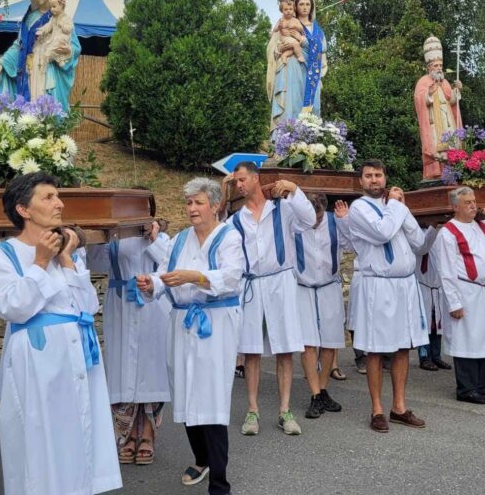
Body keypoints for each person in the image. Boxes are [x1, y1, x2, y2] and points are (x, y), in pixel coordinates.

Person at [0, 172, 121, 495]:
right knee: (41, 439)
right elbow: (13, 307)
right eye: (48, 197)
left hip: (78, 352)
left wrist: (65, 259)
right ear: (23, 209)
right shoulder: (4, 254)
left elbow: (88, 306)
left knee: (79, 431)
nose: (59, 203)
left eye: (58, 196)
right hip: (39, 358)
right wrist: (41, 262)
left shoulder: (70, 251)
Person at [135, 177, 245, 495]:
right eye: (188, 203)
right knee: (184, 389)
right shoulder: (181, 239)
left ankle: (219, 482)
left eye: (198, 202)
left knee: (211, 395)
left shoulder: (229, 237)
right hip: (182, 322)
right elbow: (166, 272)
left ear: (215, 206)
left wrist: (195, 276)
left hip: (215, 322)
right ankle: (201, 458)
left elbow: (231, 276)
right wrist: (152, 284)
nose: (192, 208)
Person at [229, 161, 315, 436]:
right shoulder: (235, 218)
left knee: (285, 348)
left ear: (256, 178)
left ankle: (284, 410)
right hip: (251, 284)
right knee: (251, 350)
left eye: (242, 180)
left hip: (281, 282)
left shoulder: (283, 208)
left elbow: (310, 219)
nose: (239, 185)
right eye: (236, 182)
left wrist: (294, 189)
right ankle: (252, 410)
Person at [348, 159, 427, 432]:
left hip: (404, 285)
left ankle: (399, 407)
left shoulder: (395, 207)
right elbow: (382, 233)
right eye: (368, 176)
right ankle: (377, 410)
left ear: (385, 178)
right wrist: (395, 206)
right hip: (378, 285)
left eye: (378, 175)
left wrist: (402, 209)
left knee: (403, 346)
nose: (374, 180)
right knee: (376, 349)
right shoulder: (358, 208)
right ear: (361, 181)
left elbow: (418, 242)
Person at [88, 218, 172, 465]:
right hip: (120, 303)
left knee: (151, 368)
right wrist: (99, 233)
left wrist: (154, 237)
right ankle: (125, 434)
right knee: (121, 367)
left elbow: (172, 263)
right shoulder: (114, 238)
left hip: (153, 305)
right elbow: (93, 261)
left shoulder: (163, 238)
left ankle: (147, 433)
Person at [433, 187, 485, 405]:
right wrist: (454, 302)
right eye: (467, 202)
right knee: (467, 339)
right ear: (455, 206)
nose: (473, 205)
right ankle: (466, 388)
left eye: (474, 201)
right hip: (466, 292)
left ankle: (482, 385)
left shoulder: (482, 226)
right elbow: (446, 271)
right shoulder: (448, 232)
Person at [0, 0, 81, 110]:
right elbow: (20, 45)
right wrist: (2, 62)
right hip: (29, 68)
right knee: (29, 104)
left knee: (47, 105)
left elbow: (75, 46)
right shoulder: (29, 18)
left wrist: (67, 51)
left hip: (48, 66)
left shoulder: (59, 16)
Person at [293, 192, 350, 419]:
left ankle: (323, 388)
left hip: (329, 286)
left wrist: (345, 221)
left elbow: (353, 242)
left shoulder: (335, 222)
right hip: (303, 287)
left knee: (329, 341)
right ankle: (315, 394)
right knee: (307, 343)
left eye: (317, 216)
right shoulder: (294, 224)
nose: (313, 221)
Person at [414, 33, 463, 181]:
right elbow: (419, 99)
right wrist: (429, 92)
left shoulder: (445, 83)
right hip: (433, 122)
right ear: (429, 67)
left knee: (450, 146)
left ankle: (452, 171)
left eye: (440, 65)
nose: (439, 68)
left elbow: (452, 101)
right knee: (436, 147)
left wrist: (457, 90)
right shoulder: (423, 81)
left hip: (446, 120)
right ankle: (435, 173)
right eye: (436, 66)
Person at [415, 223, 452, 372]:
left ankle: (436, 356)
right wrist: (433, 226)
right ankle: (424, 357)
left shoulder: (440, 234)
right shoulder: (418, 234)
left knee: (437, 324)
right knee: (425, 324)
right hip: (423, 285)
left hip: (437, 286)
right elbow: (423, 246)